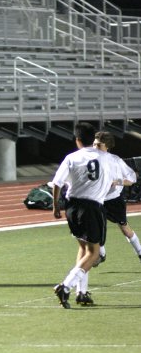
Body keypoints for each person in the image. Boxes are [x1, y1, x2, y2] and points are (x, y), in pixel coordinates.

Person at [52, 121, 119, 309]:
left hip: (72, 206)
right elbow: (112, 180)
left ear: (77, 140)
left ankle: (82, 293)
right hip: (92, 207)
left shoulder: (71, 157)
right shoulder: (106, 157)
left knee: (83, 248)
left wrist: (56, 206)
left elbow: (57, 183)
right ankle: (66, 286)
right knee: (94, 252)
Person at [91, 131, 141, 266]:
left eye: (99, 145)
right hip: (96, 200)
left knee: (124, 228)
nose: (95, 148)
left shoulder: (115, 160)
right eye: (94, 144)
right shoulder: (88, 160)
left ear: (107, 146)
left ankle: (140, 252)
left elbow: (132, 178)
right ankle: (101, 254)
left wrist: (117, 182)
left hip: (113, 200)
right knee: (95, 228)